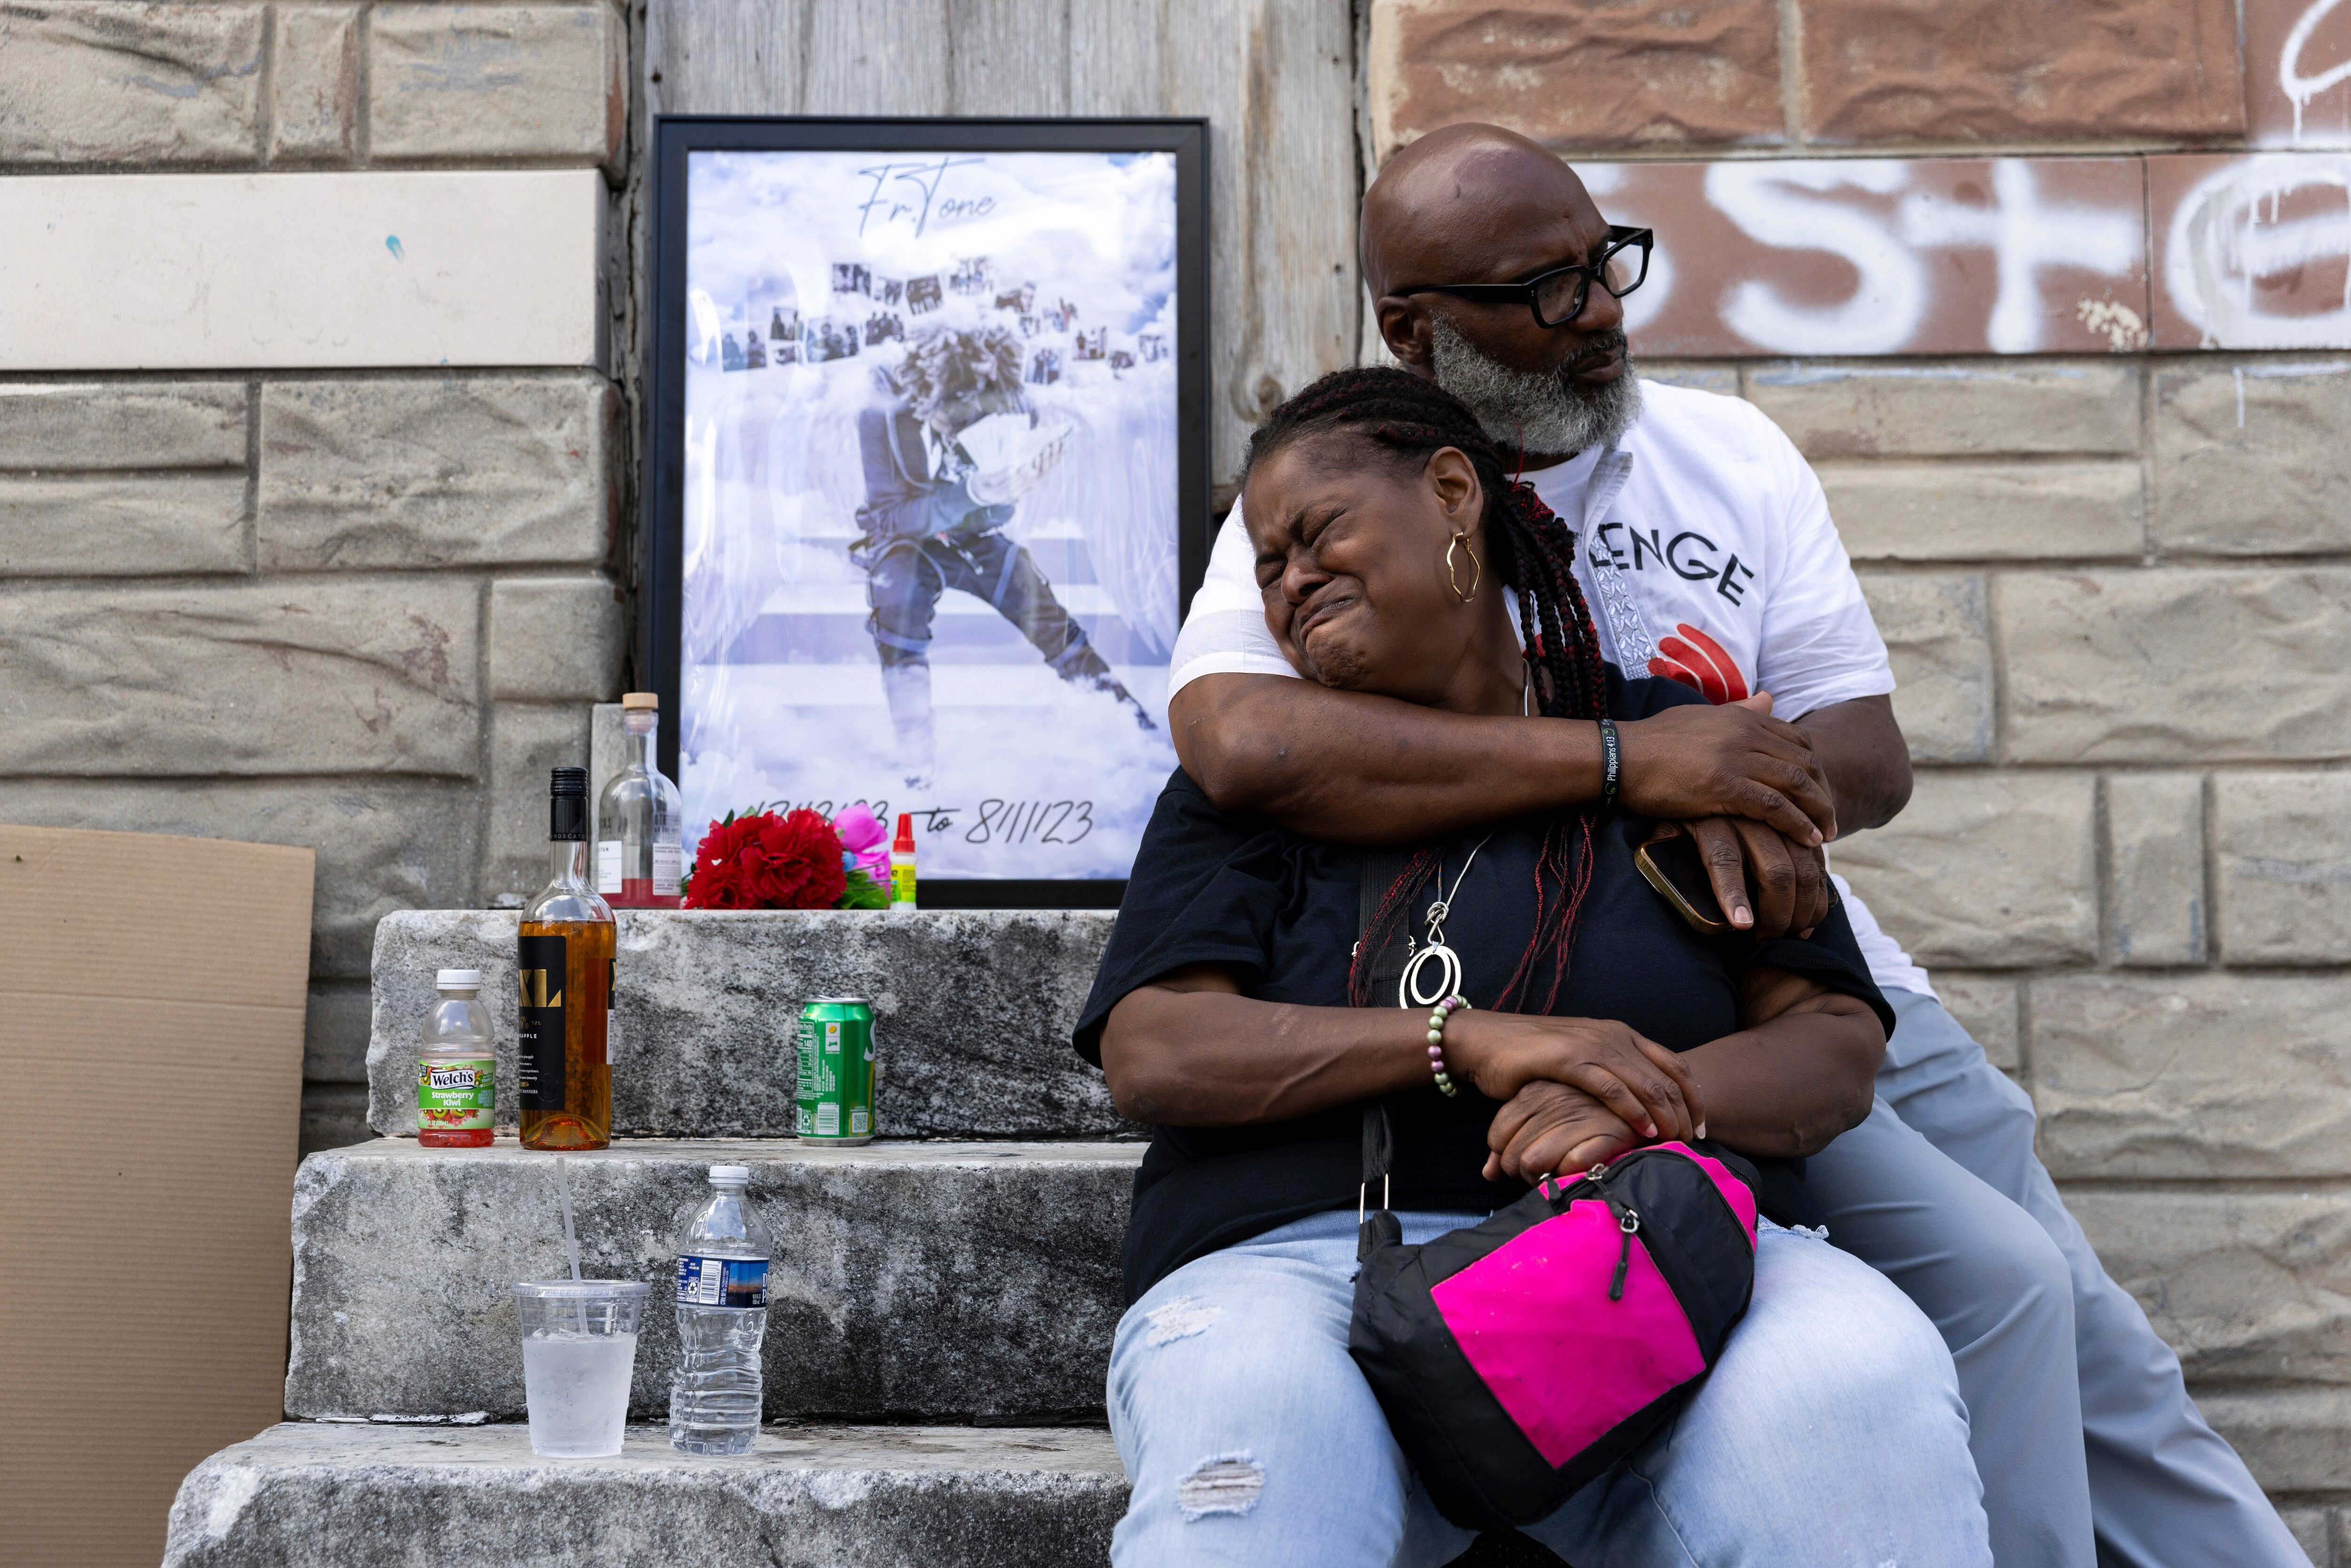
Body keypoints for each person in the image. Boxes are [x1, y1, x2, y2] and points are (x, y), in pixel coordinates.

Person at [1165, 123, 2306, 1568]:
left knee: (2042, 1304)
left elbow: (1866, 754)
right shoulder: (1335, 492)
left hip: (1781, 975)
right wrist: (1630, 763)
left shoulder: (1720, 451)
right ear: (1415, 326)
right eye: (1547, 287)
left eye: (1604, 263)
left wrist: (1734, 778)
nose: (1600, 313)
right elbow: (1242, 747)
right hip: (1512, 1026)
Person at [1078, 367, 1992, 1568]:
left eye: (1317, 533)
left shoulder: (1683, 747)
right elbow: (1156, 1048)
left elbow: (1827, 1045)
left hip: (1654, 1255)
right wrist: (1464, 1040)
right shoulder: (1253, 789)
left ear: (1454, 493)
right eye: (1265, 564)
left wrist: (1650, 1104)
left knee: (1855, 1385)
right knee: (1263, 1447)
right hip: (1297, 1267)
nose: (1289, 580)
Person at [854, 323, 1153, 786]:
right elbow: (886, 520)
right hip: (906, 541)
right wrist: (971, 491)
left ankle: (1139, 735)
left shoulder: (1008, 401)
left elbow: (995, 507)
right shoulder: (882, 415)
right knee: (897, 594)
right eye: (945, 413)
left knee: (1037, 600)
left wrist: (1015, 484)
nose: (954, 425)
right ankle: (916, 768)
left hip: (975, 538)